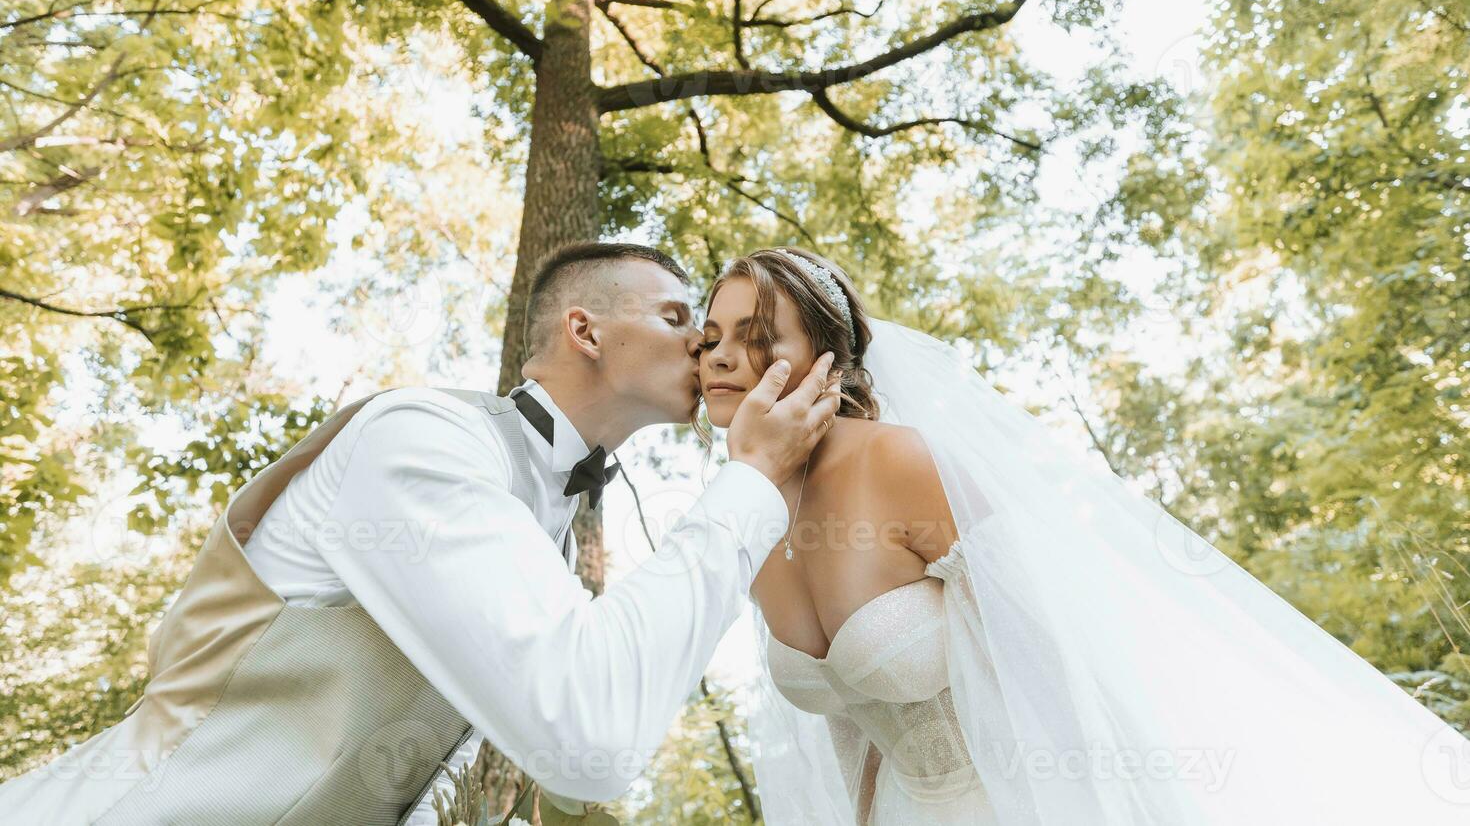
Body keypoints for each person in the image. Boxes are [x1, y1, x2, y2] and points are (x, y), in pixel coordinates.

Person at [0, 241, 841, 826]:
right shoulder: (424, 437)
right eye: (675, 315)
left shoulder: (548, 542)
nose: (702, 340)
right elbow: (592, 736)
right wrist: (750, 483)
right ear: (585, 331)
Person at [697, 245, 1470, 825]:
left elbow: (1064, 648)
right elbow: (848, 727)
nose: (723, 355)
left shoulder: (899, 459)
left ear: (828, 360)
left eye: (758, 332)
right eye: (709, 337)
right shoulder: (750, 516)